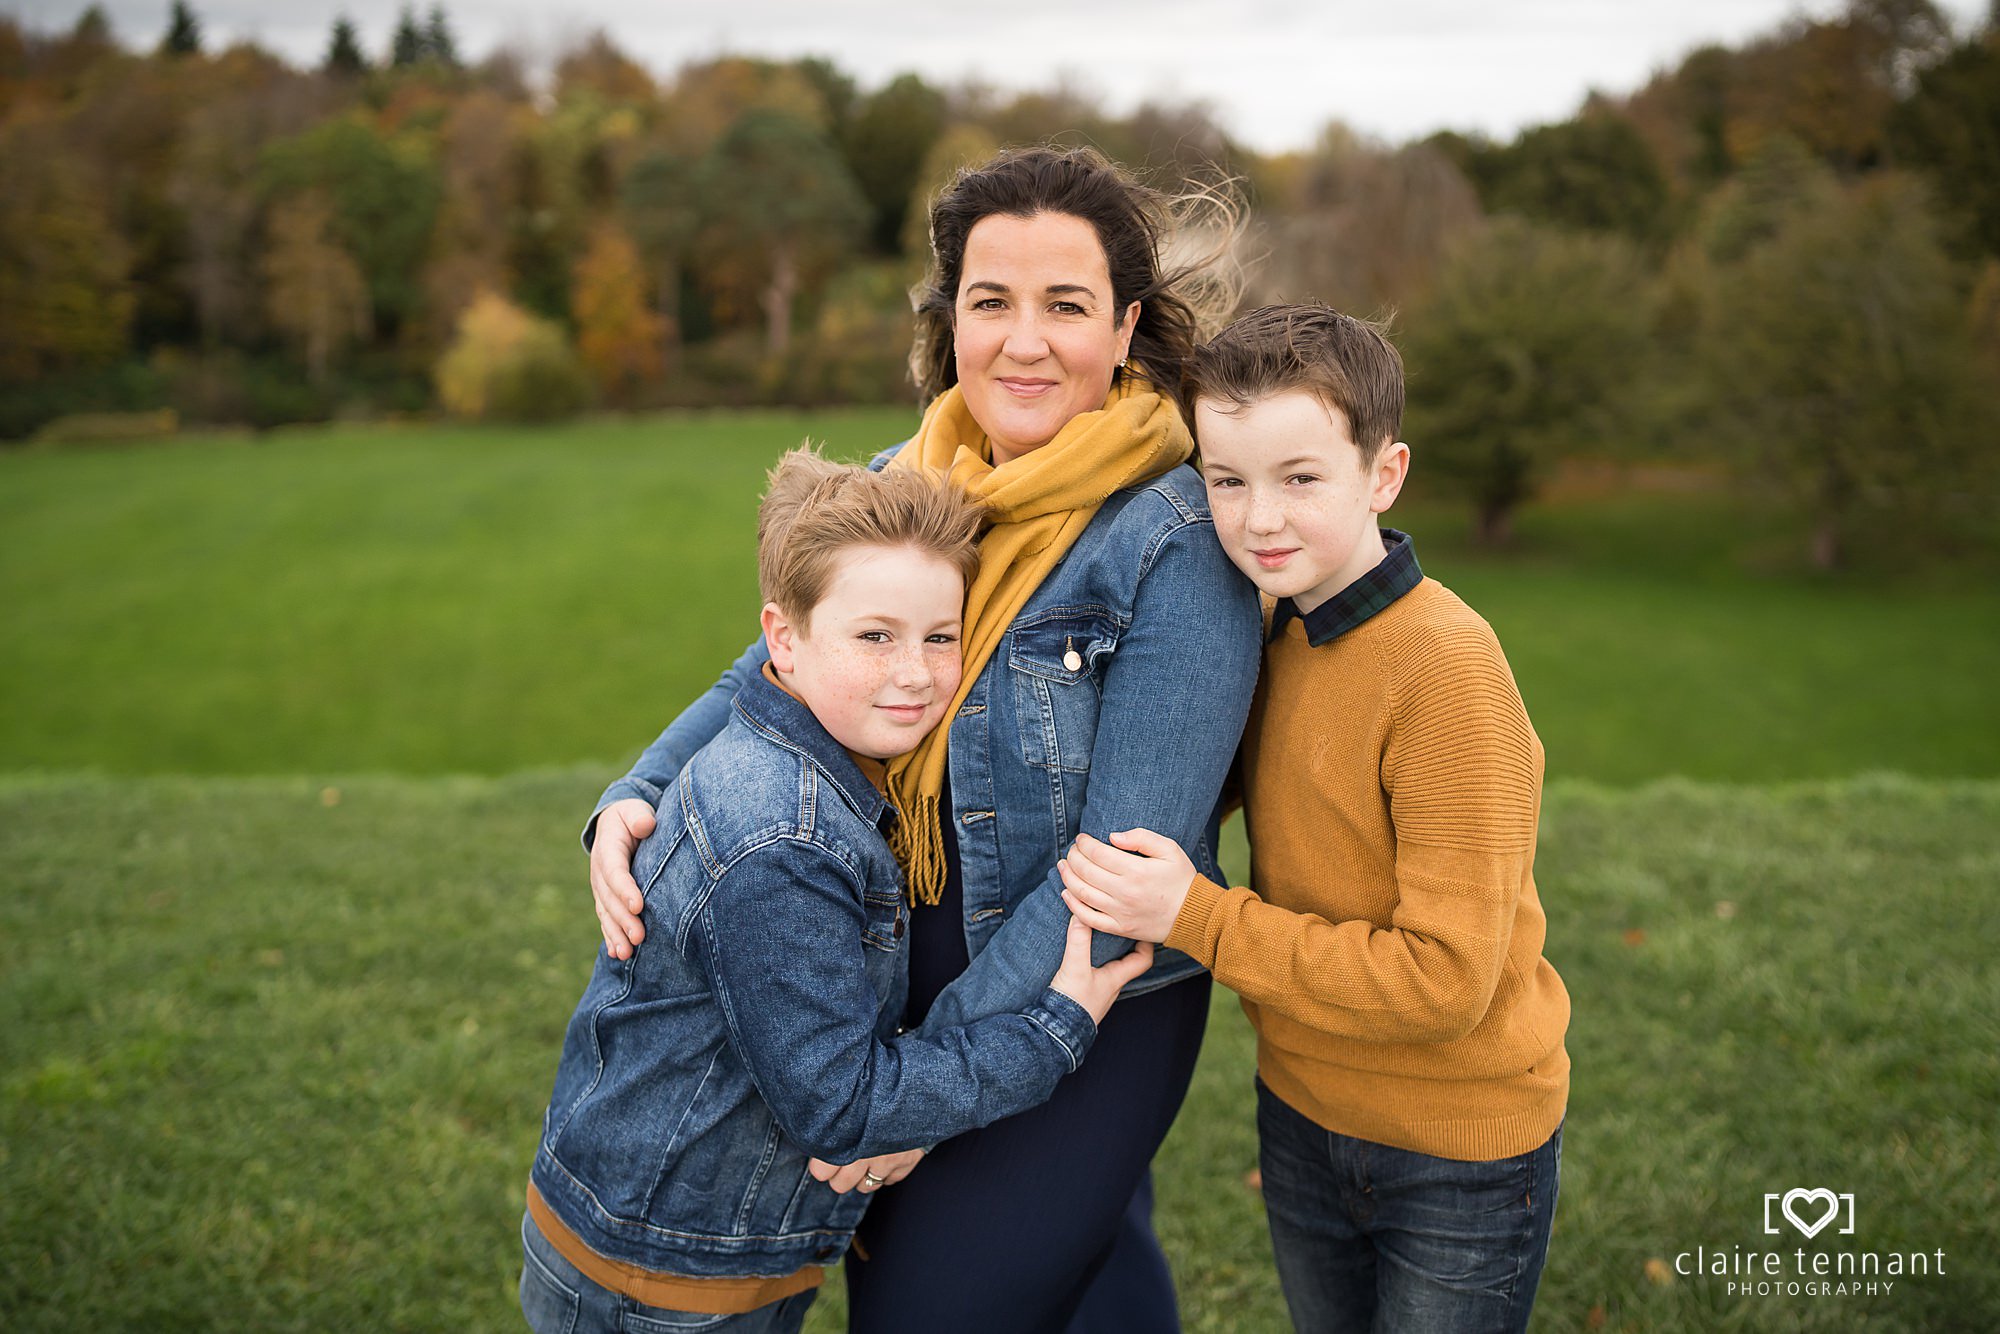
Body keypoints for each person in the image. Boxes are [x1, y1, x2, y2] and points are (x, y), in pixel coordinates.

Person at [585, 147, 1263, 1332]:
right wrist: (638, 788)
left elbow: (1120, 861)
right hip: (900, 960)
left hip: (1081, 991)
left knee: (929, 1305)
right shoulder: (915, 476)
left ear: (1124, 327)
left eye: (1065, 305)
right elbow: (781, 655)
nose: (1023, 339)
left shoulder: (1175, 539)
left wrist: (917, 1097)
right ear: (950, 317)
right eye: (990, 300)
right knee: (1088, 1269)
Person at [524, 449, 1157, 1334]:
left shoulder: (811, 765)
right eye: (875, 636)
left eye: (941, 637)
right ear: (782, 639)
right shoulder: (783, 833)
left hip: (646, 1232)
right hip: (663, 1279)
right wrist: (1058, 1023)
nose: (915, 672)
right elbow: (845, 1108)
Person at [1057, 304, 1572, 1333]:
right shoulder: (1273, 631)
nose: (1257, 518)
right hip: (1298, 1111)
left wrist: (1196, 915)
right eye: (1226, 479)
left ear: (1382, 475)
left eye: (1300, 478)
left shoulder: (1444, 671)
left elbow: (1441, 981)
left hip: (1452, 1149)